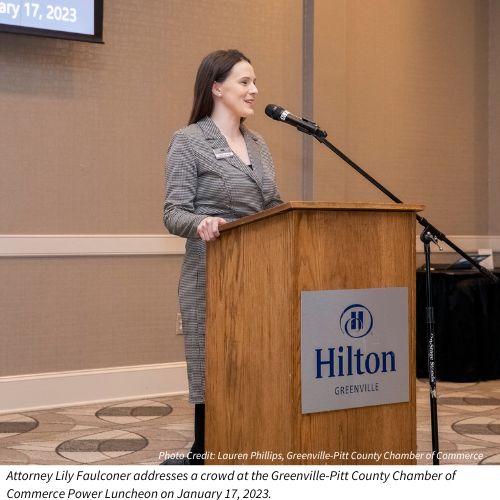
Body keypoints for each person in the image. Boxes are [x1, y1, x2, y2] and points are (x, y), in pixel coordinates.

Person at [162, 49, 282, 465]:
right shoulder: (189, 141)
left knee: (257, 362)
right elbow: (172, 212)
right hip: (211, 272)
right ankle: (204, 452)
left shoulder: (259, 144)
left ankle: (251, 441)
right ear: (217, 87)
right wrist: (202, 222)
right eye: (245, 82)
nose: (254, 90)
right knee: (214, 367)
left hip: (262, 273)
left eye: (254, 82)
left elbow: (273, 207)